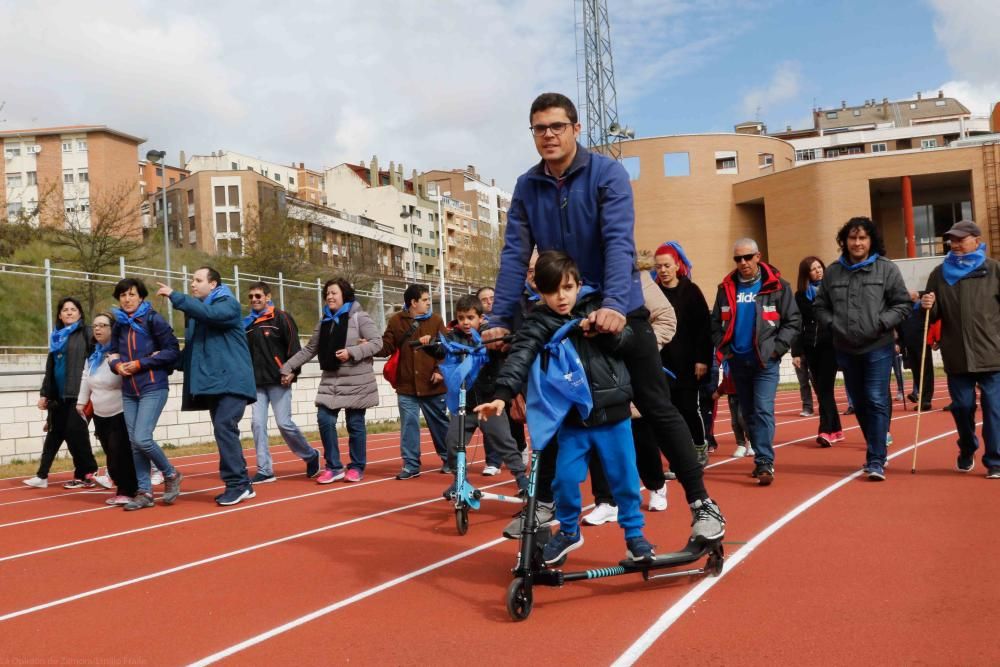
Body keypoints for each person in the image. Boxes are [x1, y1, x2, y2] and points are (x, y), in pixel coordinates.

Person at [484, 92, 725, 543]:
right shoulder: (527, 186)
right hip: (562, 311)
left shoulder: (607, 174)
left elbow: (618, 240)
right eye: (540, 128)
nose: (548, 135)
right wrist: (498, 317)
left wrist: (614, 304)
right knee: (553, 405)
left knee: (655, 403)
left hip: (618, 306)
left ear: (576, 129)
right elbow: (515, 253)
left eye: (557, 126)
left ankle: (701, 502)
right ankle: (546, 505)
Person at [476, 251, 656, 564]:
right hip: (573, 421)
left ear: (578, 285)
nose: (561, 297)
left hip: (613, 415)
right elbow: (521, 356)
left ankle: (634, 537)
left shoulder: (600, 307)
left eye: (567, 288)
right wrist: (502, 395)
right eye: (552, 291)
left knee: (625, 480)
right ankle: (570, 532)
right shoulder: (538, 322)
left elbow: (629, 342)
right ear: (540, 292)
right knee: (564, 481)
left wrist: (604, 333)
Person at [813, 218, 911, 480]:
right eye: (853, 238)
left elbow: (901, 304)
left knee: (876, 399)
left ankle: (876, 459)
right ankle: (876, 446)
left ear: (871, 241)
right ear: (844, 241)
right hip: (845, 347)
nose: (857, 243)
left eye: (863, 238)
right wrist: (832, 324)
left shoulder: (886, 269)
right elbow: (820, 306)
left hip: (878, 345)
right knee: (860, 402)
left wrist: (881, 323)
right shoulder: (833, 272)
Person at [157, 267, 257, 506]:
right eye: (192, 280)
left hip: (233, 380)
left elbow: (211, 314)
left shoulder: (228, 304)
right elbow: (193, 350)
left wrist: (175, 296)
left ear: (213, 285)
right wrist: (158, 360)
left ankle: (236, 484)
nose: (193, 284)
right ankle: (242, 483)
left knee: (224, 426)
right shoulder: (198, 315)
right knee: (224, 429)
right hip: (215, 383)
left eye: (198, 280)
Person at [710, 238, 800, 486]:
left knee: (762, 410)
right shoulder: (725, 288)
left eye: (747, 257)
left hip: (765, 362)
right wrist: (725, 348)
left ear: (758, 257)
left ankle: (764, 461)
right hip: (737, 362)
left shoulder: (778, 286)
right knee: (747, 414)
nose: (743, 263)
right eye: (738, 258)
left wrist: (777, 349)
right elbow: (715, 323)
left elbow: (793, 321)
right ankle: (761, 455)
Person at [281, 278, 381, 483]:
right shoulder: (324, 322)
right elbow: (310, 349)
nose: (329, 296)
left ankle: (356, 466)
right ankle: (334, 466)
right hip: (331, 381)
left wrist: (352, 352)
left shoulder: (359, 317)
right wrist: (288, 366)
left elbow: (377, 343)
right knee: (325, 419)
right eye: (327, 293)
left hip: (357, 381)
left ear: (344, 294)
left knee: (355, 423)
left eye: (334, 293)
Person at [921, 220, 1000, 478]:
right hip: (957, 355)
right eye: (951, 240)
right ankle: (967, 448)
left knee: (993, 410)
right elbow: (931, 317)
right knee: (963, 407)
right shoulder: (939, 274)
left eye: (960, 239)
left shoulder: (994, 270)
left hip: (992, 354)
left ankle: (995, 461)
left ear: (976, 240)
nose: (954, 244)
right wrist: (926, 305)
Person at [436, 294, 528, 496]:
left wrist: (504, 343)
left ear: (480, 318)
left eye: (470, 318)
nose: (465, 323)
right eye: (461, 318)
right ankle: (459, 480)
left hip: (488, 403)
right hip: (464, 405)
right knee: (452, 443)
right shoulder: (454, 337)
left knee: (505, 442)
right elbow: (440, 348)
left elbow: (506, 347)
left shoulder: (490, 335)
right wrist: (432, 344)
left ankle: (522, 480)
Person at [108, 278, 182, 510]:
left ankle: (170, 474)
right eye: (123, 296)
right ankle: (144, 492)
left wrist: (142, 363)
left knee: (142, 438)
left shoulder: (153, 319)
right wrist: (118, 365)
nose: (127, 299)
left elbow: (172, 351)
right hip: (129, 390)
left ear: (141, 297)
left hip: (153, 386)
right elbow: (112, 352)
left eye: (131, 294)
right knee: (134, 443)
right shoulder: (119, 323)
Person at [243, 282, 320, 483]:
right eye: (251, 296)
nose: (254, 300)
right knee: (257, 424)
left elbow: (294, 347)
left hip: (279, 380)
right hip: (257, 383)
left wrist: (293, 371)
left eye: (258, 296)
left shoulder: (282, 317)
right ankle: (265, 469)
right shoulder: (247, 324)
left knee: (284, 423)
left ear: (268, 297)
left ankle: (310, 455)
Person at [23, 297, 99, 489]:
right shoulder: (56, 337)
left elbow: (97, 359)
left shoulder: (87, 333)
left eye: (73, 309)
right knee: (54, 433)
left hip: (80, 394)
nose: (69, 312)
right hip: (59, 396)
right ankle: (42, 476)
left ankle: (88, 472)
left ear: (80, 313)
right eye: (65, 310)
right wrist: (45, 394)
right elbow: (51, 369)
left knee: (75, 432)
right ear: (59, 315)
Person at [652, 241, 713, 467]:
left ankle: (699, 446)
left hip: (688, 363)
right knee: (667, 411)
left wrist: (702, 359)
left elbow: (703, 328)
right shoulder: (653, 293)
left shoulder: (691, 291)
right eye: (659, 267)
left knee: (688, 408)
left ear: (677, 265)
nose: (663, 270)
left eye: (667, 265)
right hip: (661, 362)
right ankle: (678, 454)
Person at [379, 284, 449, 479]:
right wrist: (369, 345)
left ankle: (448, 459)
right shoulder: (396, 321)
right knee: (409, 426)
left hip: (433, 385)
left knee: (440, 424)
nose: (428, 304)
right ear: (413, 302)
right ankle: (410, 465)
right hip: (406, 385)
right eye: (425, 300)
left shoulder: (436, 321)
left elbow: (446, 348)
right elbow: (387, 346)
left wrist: (439, 370)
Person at [77, 312, 138, 505]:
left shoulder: (121, 352)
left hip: (119, 411)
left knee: (119, 452)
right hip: (100, 412)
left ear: (113, 329)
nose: (97, 329)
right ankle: (124, 485)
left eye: (103, 325)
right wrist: (81, 402)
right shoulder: (93, 354)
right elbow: (86, 378)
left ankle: (127, 489)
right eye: (95, 325)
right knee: (110, 453)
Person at [791, 256, 844, 447]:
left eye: (819, 267)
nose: (818, 271)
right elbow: (796, 324)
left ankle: (825, 431)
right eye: (813, 269)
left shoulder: (832, 291)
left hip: (831, 345)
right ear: (806, 274)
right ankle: (836, 429)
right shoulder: (799, 295)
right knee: (822, 391)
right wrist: (796, 352)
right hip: (811, 348)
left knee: (825, 389)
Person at [474, 285, 503, 475]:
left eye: (492, 297)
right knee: (489, 419)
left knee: (514, 421)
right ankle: (493, 461)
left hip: (507, 376)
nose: (489, 302)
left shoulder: (507, 320)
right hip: (484, 379)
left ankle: (519, 445)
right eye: (484, 300)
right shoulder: (473, 325)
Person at [899, 290, 936, 411]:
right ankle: (921, 398)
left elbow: (930, 293)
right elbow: (900, 329)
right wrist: (900, 344)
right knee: (916, 372)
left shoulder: (921, 306)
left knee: (925, 371)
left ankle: (926, 400)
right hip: (909, 346)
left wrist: (918, 294)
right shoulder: (904, 310)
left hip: (922, 344)